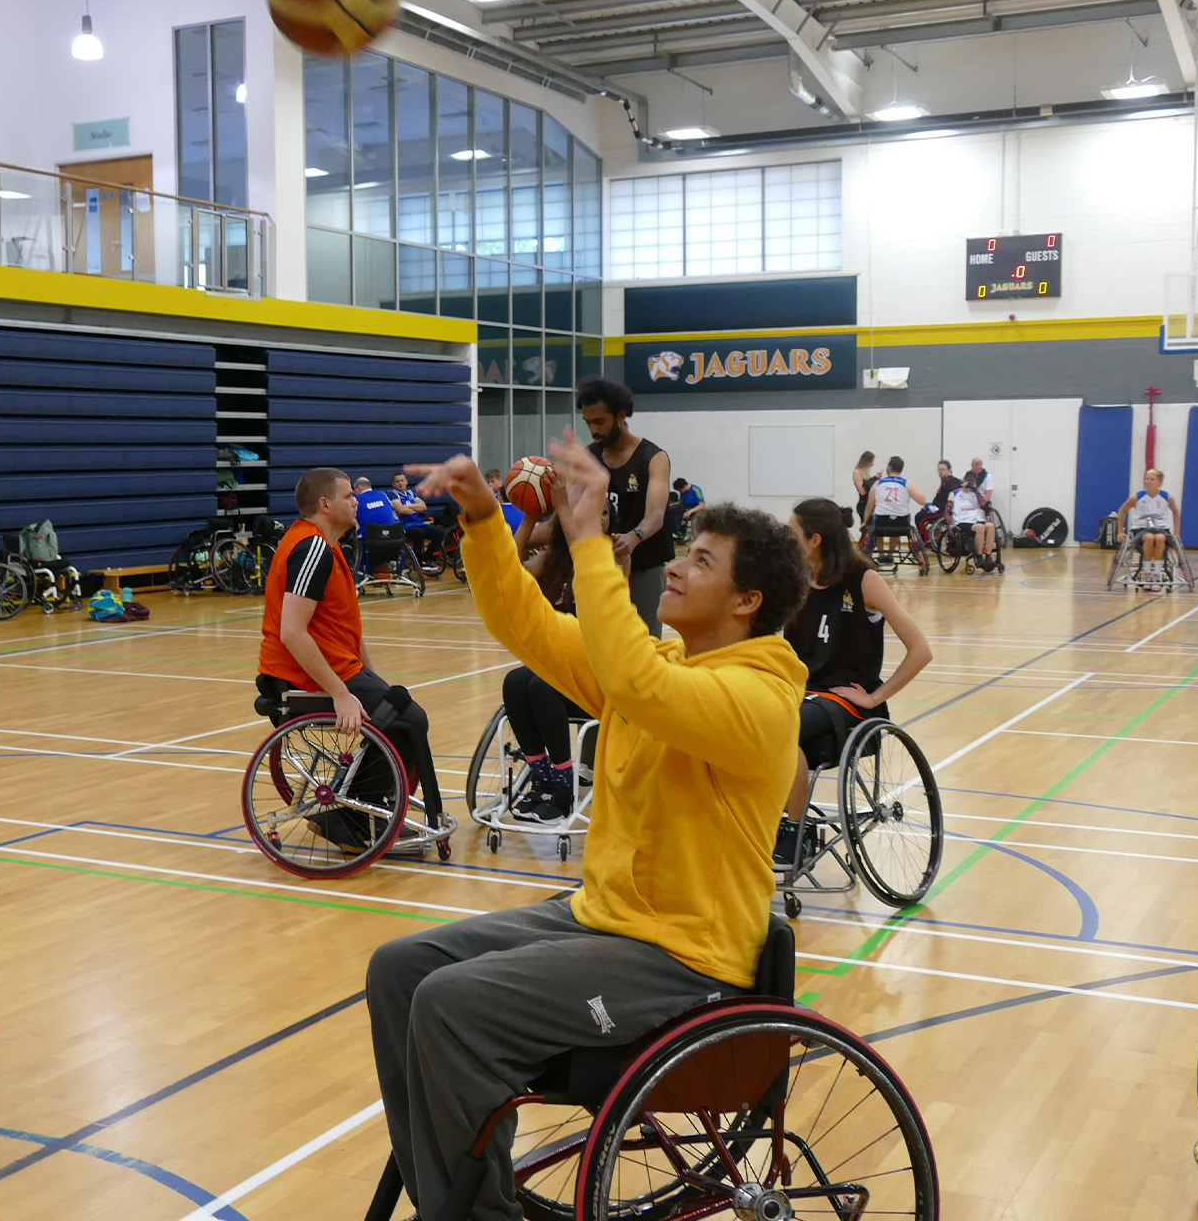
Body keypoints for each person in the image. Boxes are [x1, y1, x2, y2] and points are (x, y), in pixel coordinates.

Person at [372, 442, 806, 1221]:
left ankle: (469, 1212)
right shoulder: (668, 666)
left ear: (747, 602)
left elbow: (639, 681)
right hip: (606, 920)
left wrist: (587, 541)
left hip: (684, 953)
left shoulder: (759, 703)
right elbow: (527, 625)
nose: (673, 566)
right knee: (400, 969)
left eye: (700, 561)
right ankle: (459, 1202)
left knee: (450, 1003)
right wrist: (480, 519)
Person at [773, 499, 932, 865]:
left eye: (792, 530)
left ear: (814, 539)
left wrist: (876, 697)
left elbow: (921, 650)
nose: (786, 536)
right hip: (802, 691)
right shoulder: (796, 580)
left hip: (846, 701)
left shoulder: (864, 581)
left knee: (784, 726)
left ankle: (795, 832)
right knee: (747, 717)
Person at [258, 467, 432, 750]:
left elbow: (347, 626)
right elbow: (291, 632)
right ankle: (368, 795)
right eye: (349, 495)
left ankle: (373, 791)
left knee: (396, 705)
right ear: (325, 505)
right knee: (410, 721)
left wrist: (373, 679)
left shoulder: (330, 546)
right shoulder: (311, 548)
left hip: (340, 666)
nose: (356, 502)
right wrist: (340, 694)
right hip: (295, 676)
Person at [500, 493, 608, 825]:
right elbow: (512, 566)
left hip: (595, 675)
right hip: (555, 667)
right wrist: (531, 518)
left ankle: (564, 783)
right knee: (516, 681)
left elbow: (587, 554)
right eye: (594, 511)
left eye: (605, 513)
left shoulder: (611, 553)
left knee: (541, 685)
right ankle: (541, 774)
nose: (600, 518)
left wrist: (564, 505)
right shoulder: (552, 559)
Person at [577, 378, 674, 637]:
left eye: (599, 422)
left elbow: (655, 515)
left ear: (621, 416)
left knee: (645, 643)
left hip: (644, 566)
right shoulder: (589, 457)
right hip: (601, 567)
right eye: (588, 422)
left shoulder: (653, 458)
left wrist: (634, 537)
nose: (593, 430)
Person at [863, 456, 929, 575]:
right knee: (899, 518)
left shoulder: (878, 483)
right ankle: (890, 554)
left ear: (890, 467)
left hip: (881, 524)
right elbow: (922, 501)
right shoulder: (907, 483)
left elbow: (870, 505)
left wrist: (864, 521)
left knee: (876, 521)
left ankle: (882, 555)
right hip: (901, 524)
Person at [1119, 469, 1180, 587]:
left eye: (1152, 479)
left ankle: (1157, 574)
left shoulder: (1167, 497)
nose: (1148, 481)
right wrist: (1120, 532)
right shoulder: (1137, 497)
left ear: (1159, 482)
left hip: (1161, 528)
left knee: (1160, 538)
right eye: (1146, 478)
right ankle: (1147, 573)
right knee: (1149, 538)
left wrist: (1177, 532)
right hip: (1141, 529)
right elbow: (1122, 511)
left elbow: (1176, 513)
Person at [389, 470, 448, 563]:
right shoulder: (392, 494)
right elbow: (401, 510)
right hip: (404, 524)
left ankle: (427, 558)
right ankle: (418, 559)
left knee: (440, 532)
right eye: (397, 481)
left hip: (418, 522)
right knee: (419, 533)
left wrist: (407, 507)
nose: (400, 483)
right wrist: (415, 508)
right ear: (393, 484)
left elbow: (423, 506)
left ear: (406, 482)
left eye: (402, 480)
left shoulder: (411, 493)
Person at [949, 469, 995, 573]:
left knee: (990, 526)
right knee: (980, 527)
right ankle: (979, 556)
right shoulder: (954, 493)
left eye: (972, 480)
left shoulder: (975, 493)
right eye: (968, 480)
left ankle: (988, 555)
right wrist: (950, 524)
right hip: (962, 520)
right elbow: (947, 510)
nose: (970, 482)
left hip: (976, 518)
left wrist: (976, 490)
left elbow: (983, 504)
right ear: (964, 480)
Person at [852, 451, 877, 522]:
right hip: (863, 505)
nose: (872, 464)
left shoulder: (866, 473)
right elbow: (863, 491)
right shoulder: (857, 472)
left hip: (869, 503)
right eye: (871, 462)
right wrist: (875, 478)